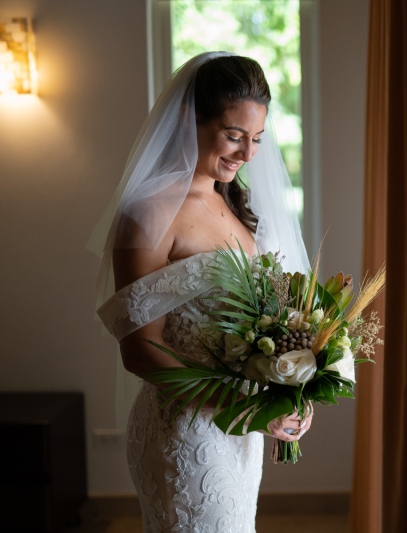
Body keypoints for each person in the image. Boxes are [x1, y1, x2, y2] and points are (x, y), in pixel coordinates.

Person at [91, 52, 312, 531]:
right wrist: (250, 409)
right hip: (185, 429)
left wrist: (285, 394)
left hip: (237, 431)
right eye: (234, 136)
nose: (247, 153)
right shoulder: (149, 213)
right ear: (190, 118)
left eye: (256, 139)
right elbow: (142, 352)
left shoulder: (232, 202)